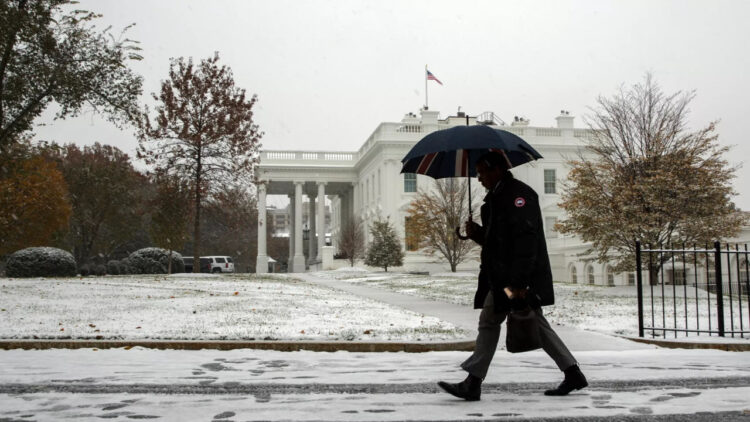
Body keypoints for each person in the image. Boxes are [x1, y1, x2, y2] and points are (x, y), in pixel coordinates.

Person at [437, 151, 587, 401]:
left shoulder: (519, 195)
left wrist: (518, 284)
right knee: (532, 322)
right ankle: (572, 372)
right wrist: (477, 234)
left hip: (514, 279)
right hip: (503, 276)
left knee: (491, 320)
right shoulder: (497, 198)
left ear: (496, 170)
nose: (479, 178)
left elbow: (526, 242)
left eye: (482, 172)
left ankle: (473, 382)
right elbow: (499, 242)